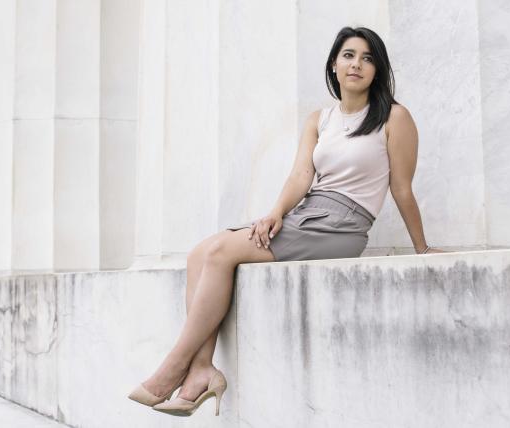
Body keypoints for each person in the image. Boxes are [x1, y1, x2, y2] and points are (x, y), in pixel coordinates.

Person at [128, 26, 444, 417]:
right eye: (348, 55)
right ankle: (201, 371)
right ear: (334, 64)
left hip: (343, 225)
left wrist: (422, 248)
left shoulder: (395, 117)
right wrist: (275, 212)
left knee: (219, 253)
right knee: (199, 254)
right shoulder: (319, 119)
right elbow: (300, 177)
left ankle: (172, 368)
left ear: (378, 70)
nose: (357, 64)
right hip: (307, 212)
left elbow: (401, 188)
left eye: (367, 58)